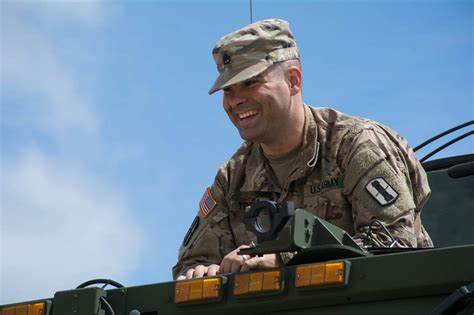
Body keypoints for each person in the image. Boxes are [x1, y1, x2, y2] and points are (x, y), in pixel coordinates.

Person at [172, 18, 433, 280]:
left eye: (251, 82)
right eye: (228, 90)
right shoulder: (233, 177)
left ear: (293, 80)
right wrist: (201, 271)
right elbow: (191, 263)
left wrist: (284, 260)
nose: (236, 100)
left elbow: (395, 245)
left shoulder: (357, 146)